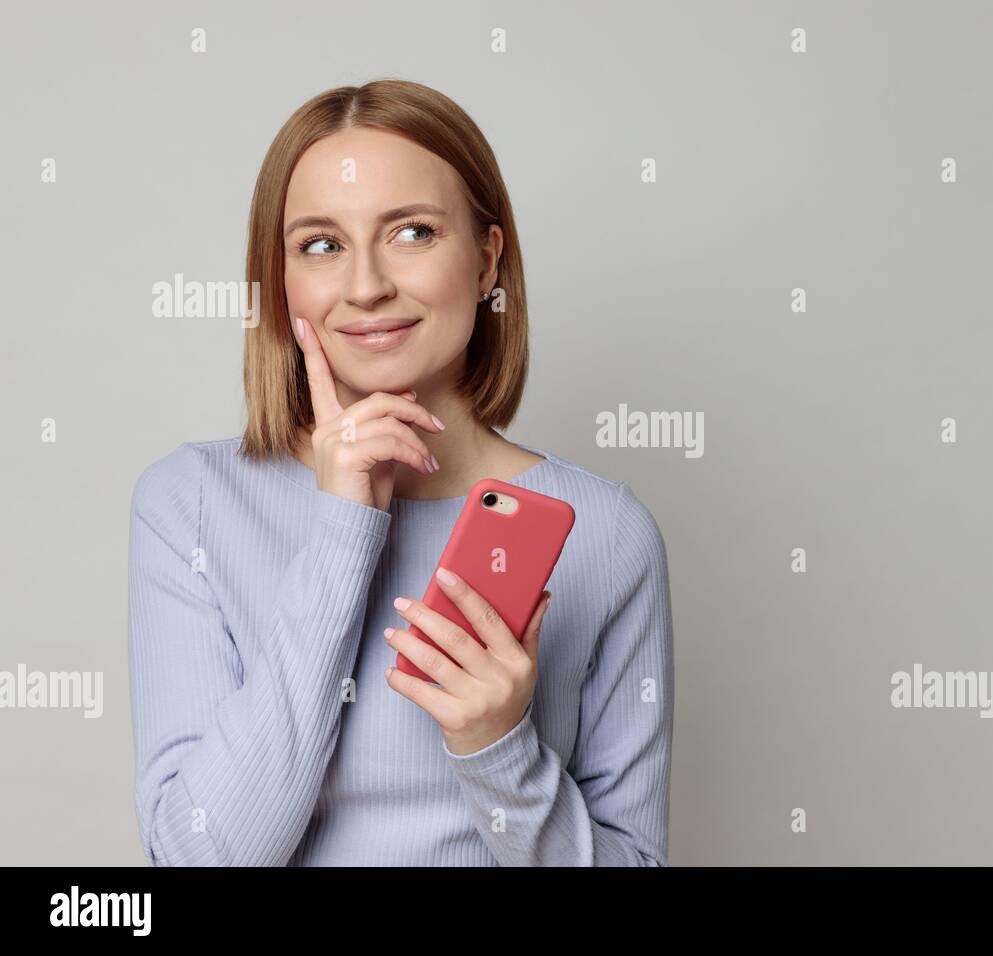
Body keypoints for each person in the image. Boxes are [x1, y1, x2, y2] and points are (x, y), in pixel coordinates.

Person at [127, 79, 674, 866]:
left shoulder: (608, 533)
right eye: (321, 245)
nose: (366, 286)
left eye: (412, 232)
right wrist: (344, 529)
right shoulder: (192, 506)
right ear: (281, 286)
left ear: (488, 259)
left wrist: (497, 749)